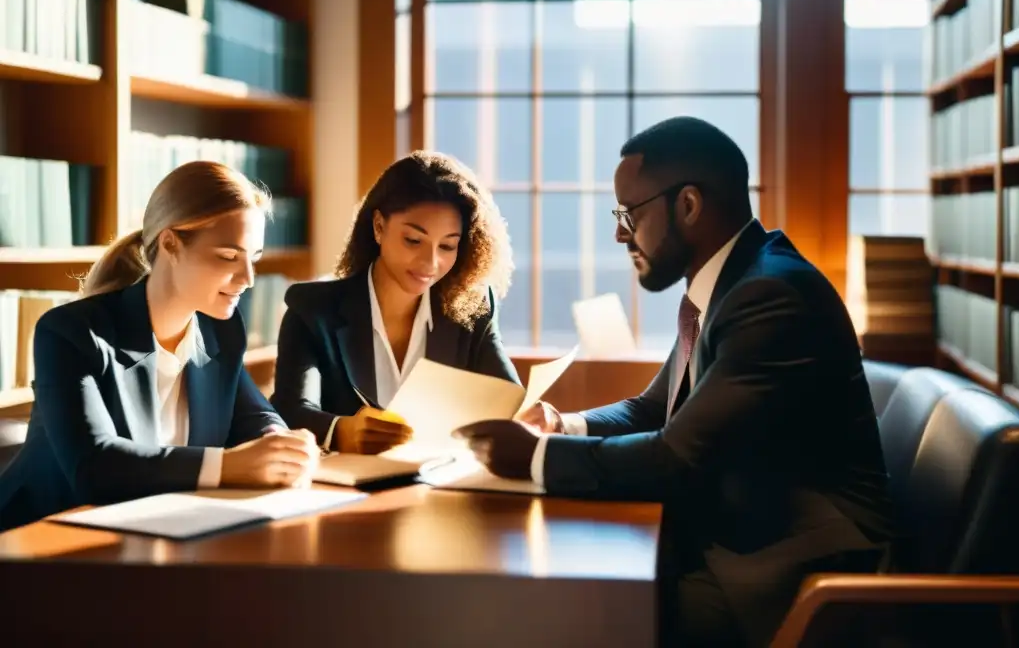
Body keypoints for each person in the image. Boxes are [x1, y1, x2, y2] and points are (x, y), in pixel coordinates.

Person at [456, 117, 893, 646]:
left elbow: (677, 457)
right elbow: (652, 409)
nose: (620, 233)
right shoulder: (734, 282)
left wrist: (534, 457)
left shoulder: (770, 297)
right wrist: (562, 424)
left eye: (629, 213)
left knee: (574, 615)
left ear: (687, 205)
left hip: (790, 572)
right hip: (743, 537)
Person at [0, 162, 320, 532]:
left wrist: (281, 446)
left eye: (255, 258)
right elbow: (95, 468)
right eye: (229, 257)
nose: (248, 279)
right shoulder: (70, 333)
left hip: (153, 535)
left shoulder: (220, 329)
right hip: (37, 545)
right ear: (170, 244)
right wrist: (232, 465)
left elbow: (255, 414)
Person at [271, 150, 519, 455]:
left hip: (438, 486)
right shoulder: (312, 310)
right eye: (414, 241)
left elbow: (508, 397)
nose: (431, 262)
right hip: (345, 492)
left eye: (447, 246)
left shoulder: (473, 308)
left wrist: (530, 417)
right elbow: (289, 410)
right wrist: (339, 431)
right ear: (378, 226)